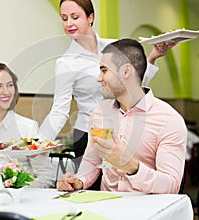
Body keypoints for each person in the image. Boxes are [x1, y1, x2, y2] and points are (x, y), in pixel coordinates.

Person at [38, 0, 176, 161]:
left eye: (75, 17)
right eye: (64, 18)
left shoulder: (114, 46)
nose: (69, 24)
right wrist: (38, 144)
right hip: (89, 134)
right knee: (91, 185)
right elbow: (59, 110)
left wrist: (153, 57)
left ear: (90, 17)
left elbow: (133, 87)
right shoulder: (66, 63)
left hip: (121, 130)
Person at [56, 38, 187, 194]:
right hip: (106, 207)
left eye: (104, 70)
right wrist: (79, 181)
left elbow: (171, 186)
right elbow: (92, 160)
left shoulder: (169, 120)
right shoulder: (99, 113)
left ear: (126, 71)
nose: (99, 78)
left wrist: (130, 165)